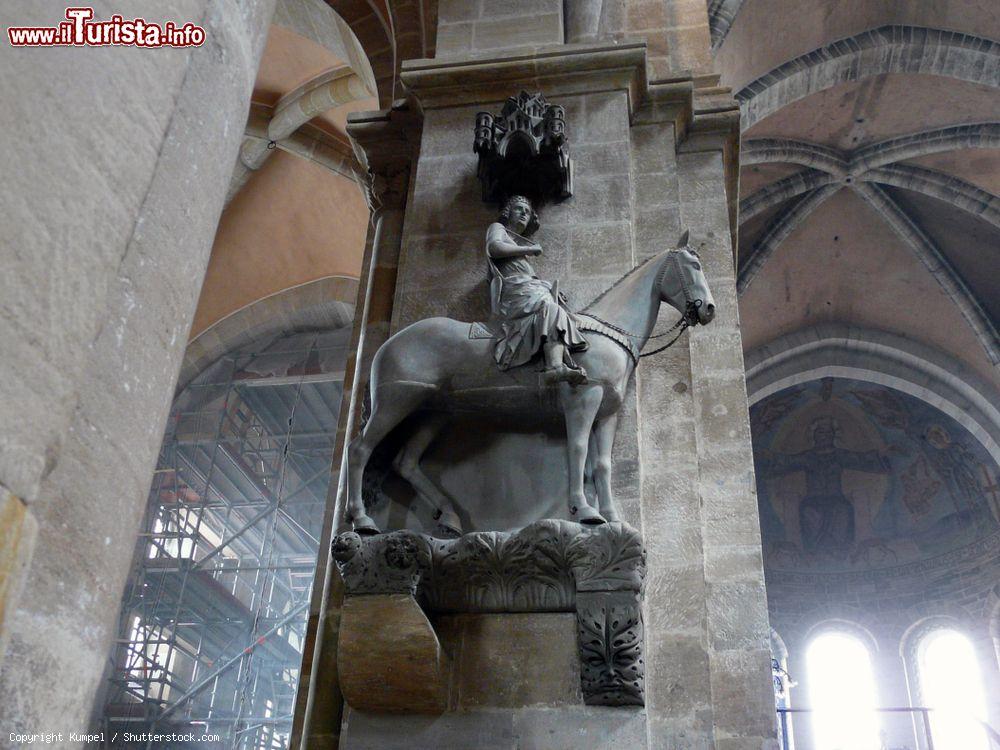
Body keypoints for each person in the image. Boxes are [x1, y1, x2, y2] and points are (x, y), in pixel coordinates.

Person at [485, 195, 588, 384]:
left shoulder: (515, 243)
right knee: (552, 309)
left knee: (558, 310)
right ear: (508, 212)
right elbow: (494, 247)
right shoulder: (498, 229)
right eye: (519, 209)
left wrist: (545, 286)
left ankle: (558, 356)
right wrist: (528, 250)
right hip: (515, 294)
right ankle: (554, 367)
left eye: (527, 211)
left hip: (527, 290)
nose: (524, 213)